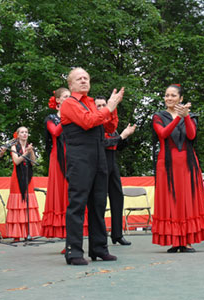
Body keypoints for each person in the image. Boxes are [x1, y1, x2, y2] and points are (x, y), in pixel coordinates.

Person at [60, 67, 124, 265]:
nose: (83, 80)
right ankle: (74, 251)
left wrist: (111, 109)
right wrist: (108, 108)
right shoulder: (70, 103)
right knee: (77, 204)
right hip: (79, 159)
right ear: (70, 85)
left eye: (86, 77)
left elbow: (110, 127)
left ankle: (98, 248)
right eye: (78, 78)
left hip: (99, 158)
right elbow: (87, 122)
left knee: (98, 204)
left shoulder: (91, 103)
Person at [151, 84, 204, 253]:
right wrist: (179, 117)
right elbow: (163, 134)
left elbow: (191, 135)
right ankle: (174, 240)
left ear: (181, 98)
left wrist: (185, 117)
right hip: (166, 164)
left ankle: (188, 241)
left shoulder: (190, 116)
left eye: (173, 95)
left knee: (187, 200)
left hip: (187, 163)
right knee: (170, 201)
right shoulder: (158, 116)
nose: (169, 98)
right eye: (166, 95)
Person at [94, 96, 136, 246]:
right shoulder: (95, 125)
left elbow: (118, 146)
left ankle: (117, 234)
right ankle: (100, 236)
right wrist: (121, 136)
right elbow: (103, 143)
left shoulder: (111, 125)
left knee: (117, 197)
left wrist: (125, 136)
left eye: (103, 105)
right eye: (98, 105)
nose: (101, 107)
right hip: (100, 164)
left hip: (112, 162)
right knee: (100, 201)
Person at [5, 126, 42, 240]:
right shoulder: (13, 146)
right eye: (22, 132)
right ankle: (17, 235)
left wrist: (30, 152)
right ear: (18, 134)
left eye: (26, 132)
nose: (25, 134)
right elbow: (16, 161)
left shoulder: (30, 147)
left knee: (28, 205)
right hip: (17, 178)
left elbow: (33, 162)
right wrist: (26, 152)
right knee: (18, 205)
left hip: (28, 177)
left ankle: (27, 233)